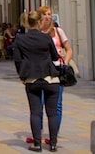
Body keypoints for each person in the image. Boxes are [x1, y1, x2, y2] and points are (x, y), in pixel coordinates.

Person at [14, 10, 62, 152]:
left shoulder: (20, 39)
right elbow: (54, 56)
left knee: (35, 112)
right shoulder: (46, 38)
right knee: (52, 113)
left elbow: (17, 60)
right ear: (39, 22)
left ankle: (37, 144)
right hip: (50, 77)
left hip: (32, 78)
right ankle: (53, 144)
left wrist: (22, 76)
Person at [30, 5, 73, 147]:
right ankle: (39, 133)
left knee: (57, 105)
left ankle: (54, 135)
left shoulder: (58, 31)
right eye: (45, 14)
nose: (48, 17)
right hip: (41, 71)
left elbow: (69, 49)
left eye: (49, 14)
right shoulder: (37, 32)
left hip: (56, 71)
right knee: (40, 104)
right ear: (40, 17)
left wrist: (65, 64)